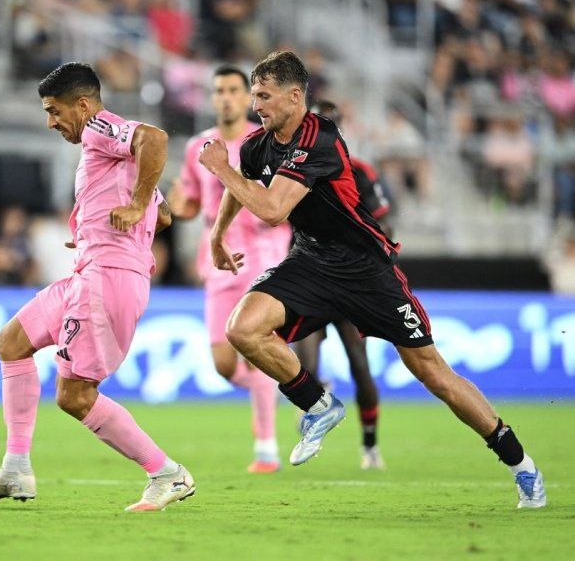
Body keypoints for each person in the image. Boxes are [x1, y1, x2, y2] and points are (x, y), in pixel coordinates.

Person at [199, 51, 545, 509]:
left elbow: (271, 209)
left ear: (295, 96)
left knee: (432, 373)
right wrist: (219, 236)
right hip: (311, 262)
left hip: (365, 269)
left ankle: (522, 466)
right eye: (255, 94)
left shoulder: (319, 137)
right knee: (242, 327)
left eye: (264, 95)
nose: (256, 104)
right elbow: (243, 183)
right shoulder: (257, 145)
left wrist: (218, 167)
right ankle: (319, 404)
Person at [0, 62, 194, 512]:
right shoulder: (111, 150)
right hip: (88, 270)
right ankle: (15, 468)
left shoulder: (97, 126)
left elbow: (156, 138)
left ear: (83, 104)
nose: (50, 122)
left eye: (54, 111)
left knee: (74, 396)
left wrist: (132, 207)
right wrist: (121, 213)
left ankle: (166, 472)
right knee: (11, 342)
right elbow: (165, 213)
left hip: (109, 279)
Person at [170, 65, 291, 473]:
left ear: (247, 98)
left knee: (255, 350)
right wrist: (167, 203)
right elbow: (187, 203)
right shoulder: (198, 147)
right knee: (224, 363)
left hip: (260, 257)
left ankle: (267, 448)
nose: (225, 97)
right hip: (216, 262)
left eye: (233, 90)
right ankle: (290, 386)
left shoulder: (266, 144)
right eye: (218, 90)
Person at [292, 100, 393, 471]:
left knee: (360, 366)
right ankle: (319, 405)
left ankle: (370, 446)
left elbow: (386, 225)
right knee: (305, 367)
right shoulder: (293, 171)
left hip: (350, 280)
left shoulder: (360, 173)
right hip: (309, 279)